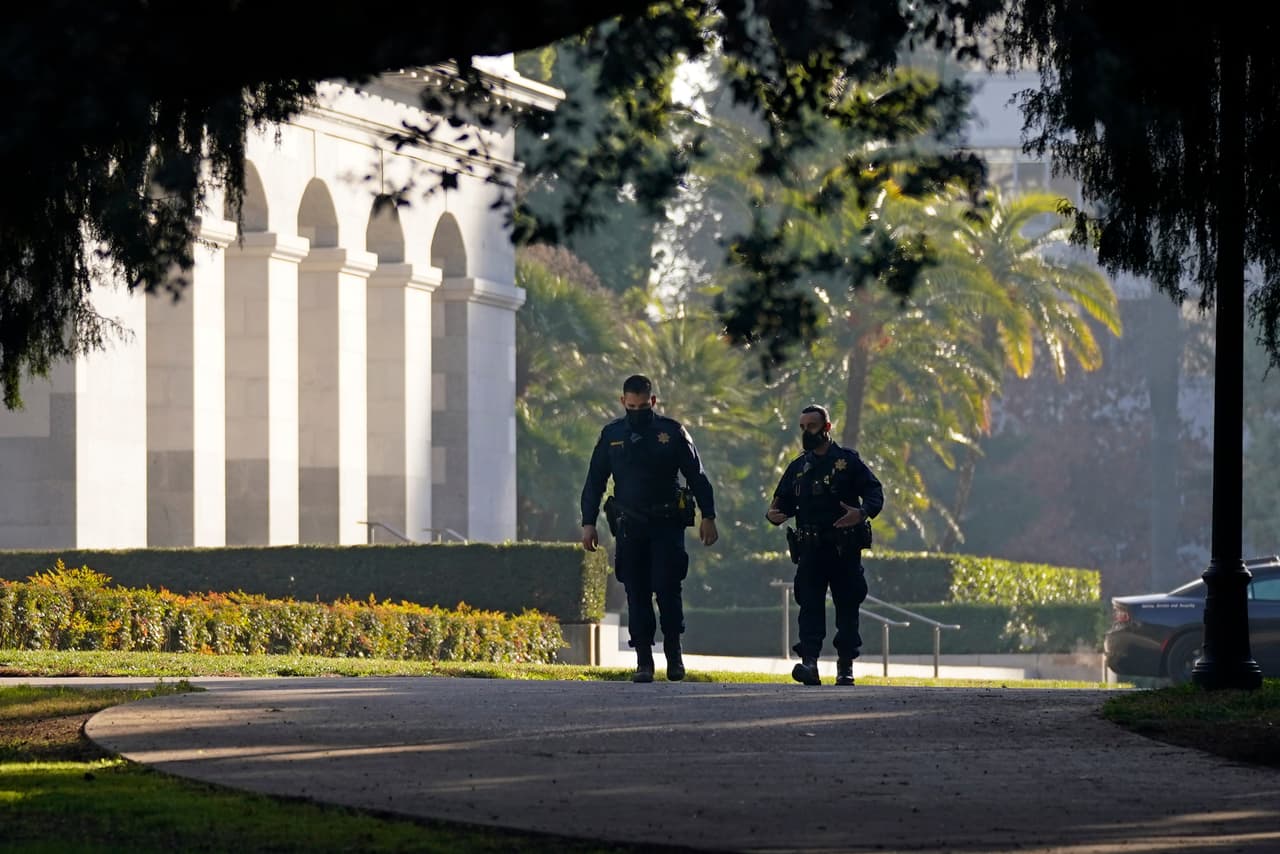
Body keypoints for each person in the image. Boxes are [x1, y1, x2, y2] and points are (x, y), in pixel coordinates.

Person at [581, 375, 719, 683]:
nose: (637, 411)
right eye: (632, 406)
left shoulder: (671, 432)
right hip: (630, 526)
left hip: (666, 524)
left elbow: (697, 475)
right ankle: (644, 660)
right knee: (636, 591)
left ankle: (674, 656)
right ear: (622, 402)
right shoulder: (612, 435)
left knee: (669, 589)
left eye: (643, 406)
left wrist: (708, 515)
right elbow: (595, 482)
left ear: (653, 401)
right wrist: (588, 522)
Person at [766, 404, 883, 686]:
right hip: (810, 551)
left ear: (827, 427)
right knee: (809, 607)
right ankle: (809, 664)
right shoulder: (799, 467)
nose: (807, 432)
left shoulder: (848, 462)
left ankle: (845, 666)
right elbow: (780, 501)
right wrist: (774, 514)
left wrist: (862, 512)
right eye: (803, 427)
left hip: (843, 549)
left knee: (847, 606)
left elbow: (874, 492)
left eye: (813, 426)